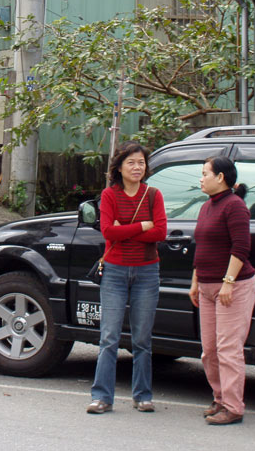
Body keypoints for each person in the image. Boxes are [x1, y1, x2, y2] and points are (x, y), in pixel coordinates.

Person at [87, 141, 167, 415]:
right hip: (115, 271)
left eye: (141, 162)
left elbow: (160, 233)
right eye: (131, 162)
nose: (137, 167)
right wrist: (142, 225)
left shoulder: (154, 195)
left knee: (142, 339)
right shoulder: (110, 195)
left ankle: (143, 395)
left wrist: (126, 229)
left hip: (147, 271)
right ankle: (102, 397)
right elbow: (108, 232)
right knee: (109, 337)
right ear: (119, 167)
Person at [189, 156, 255, 425]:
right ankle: (219, 398)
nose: (201, 178)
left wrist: (228, 282)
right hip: (206, 287)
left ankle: (233, 406)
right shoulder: (207, 206)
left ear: (220, 177)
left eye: (205, 173)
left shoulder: (235, 206)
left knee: (228, 349)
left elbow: (241, 247)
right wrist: (195, 282)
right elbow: (202, 247)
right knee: (210, 350)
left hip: (233, 288)